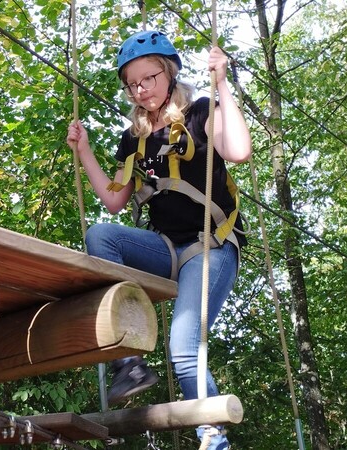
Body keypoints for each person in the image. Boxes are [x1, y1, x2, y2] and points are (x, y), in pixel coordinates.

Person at [66, 30, 252, 450]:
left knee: (183, 349)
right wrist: (85, 152)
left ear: (169, 73)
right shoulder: (133, 138)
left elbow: (239, 151)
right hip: (165, 249)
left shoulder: (201, 112)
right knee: (101, 235)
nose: (141, 90)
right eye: (132, 84)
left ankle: (213, 438)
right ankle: (129, 362)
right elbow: (114, 201)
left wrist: (222, 84)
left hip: (210, 246)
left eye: (148, 78)